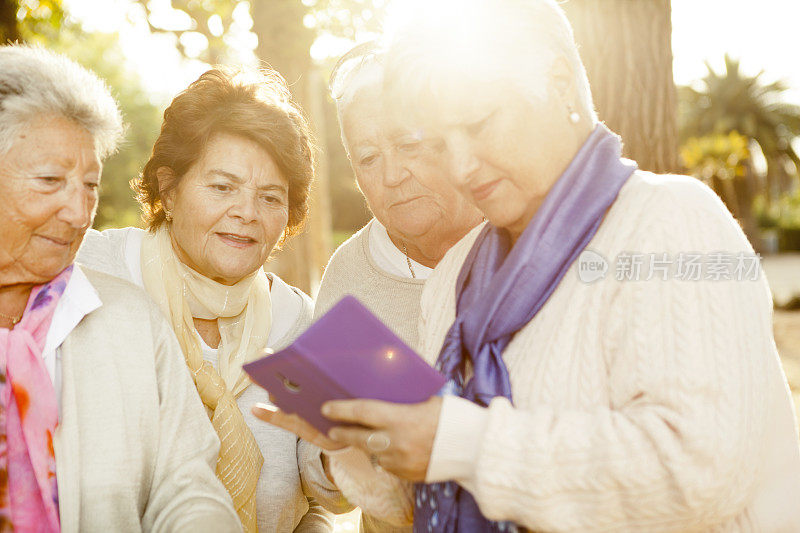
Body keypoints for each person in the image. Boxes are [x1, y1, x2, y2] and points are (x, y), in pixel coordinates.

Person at [255, 0, 800, 531]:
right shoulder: (458, 274)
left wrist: (463, 442)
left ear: (560, 84)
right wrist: (359, 441)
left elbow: (698, 477)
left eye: (481, 123)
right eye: (442, 141)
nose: (462, 165)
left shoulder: (672, 222)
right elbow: (431, 500)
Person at [77, 67, 345, 532]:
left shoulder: (298, 322)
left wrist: (346, 457)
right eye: (222, 187)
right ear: (169, 188)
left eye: (270, 197)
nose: (246, 213)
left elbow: (314, 499)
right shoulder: (88, 275)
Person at [0, 45, 239, 531]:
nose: (77, 212)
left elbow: (186, 488)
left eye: (89, 184)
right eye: (50, 180)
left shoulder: (130, 318)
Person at [314, 44, 484, 532]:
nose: (391, 175)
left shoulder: (517, 234)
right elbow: (324, 472)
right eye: (368, 158)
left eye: (408, 145)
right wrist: (336, 455)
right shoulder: (349, 275)